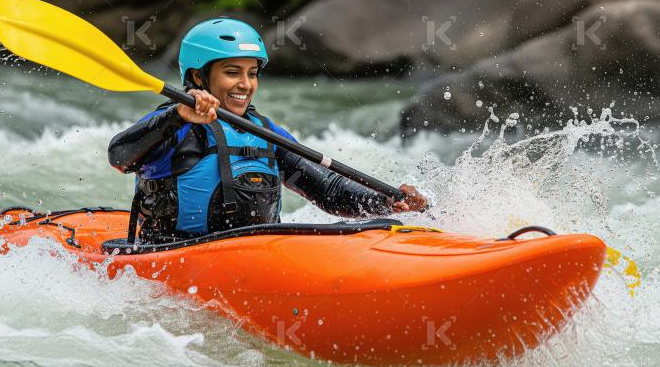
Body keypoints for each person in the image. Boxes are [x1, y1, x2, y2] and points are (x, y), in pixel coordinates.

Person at [108, 18, 427, 242]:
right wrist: (176, 116)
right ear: (198, 76)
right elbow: (119, 156)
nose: (245, 85)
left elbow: (328, 190)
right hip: (175, 255)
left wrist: (386, 204)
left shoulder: (263, 131)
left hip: (257, 256)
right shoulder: (172, 124)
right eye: (232, 72)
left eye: (252, 73)